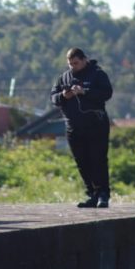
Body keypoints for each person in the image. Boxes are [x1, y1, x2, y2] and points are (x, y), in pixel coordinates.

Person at [51, 47, 113, 208]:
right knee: (82, 162)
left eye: (76, 63)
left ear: (84, 59)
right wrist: (64, 96)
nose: (73, 66)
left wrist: (85, 91)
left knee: (98, 159)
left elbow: (106, 93)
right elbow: (54, 98)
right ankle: (92, 194)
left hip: (96, 125)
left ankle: (103, 194)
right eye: (70, 63)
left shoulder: (98, 74)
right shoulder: (64, 77)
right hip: (73, 127)